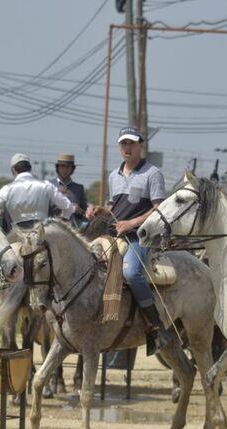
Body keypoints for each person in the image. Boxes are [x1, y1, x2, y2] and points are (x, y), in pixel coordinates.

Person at [85, 126, 170, 355]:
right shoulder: (114, 175)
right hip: (114, 233)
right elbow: (116, 207)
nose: (127, 148)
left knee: (131, 273)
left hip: (140, 236)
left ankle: (155, 326)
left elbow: (159, 209)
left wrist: (131, 224)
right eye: (123, 144)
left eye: (131, 143)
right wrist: (101, 210)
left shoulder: (153, 173)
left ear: (140, 146)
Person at [0, 154, 74, 232]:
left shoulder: (7, 189)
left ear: (13, 170)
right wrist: (65, 218)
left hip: (17, 236)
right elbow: (68, 207)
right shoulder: (46, 185)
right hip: (42, 236)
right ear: (30, 168)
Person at [53, 153, 88, 226]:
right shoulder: (49, 186)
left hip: (72, 231)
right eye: (62, 166)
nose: (65, 170)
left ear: (72, 169)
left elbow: (85, 213)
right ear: (57, 167)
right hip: (52, 229)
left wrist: (79, 211)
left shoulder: (79, 188)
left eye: (68, 167)